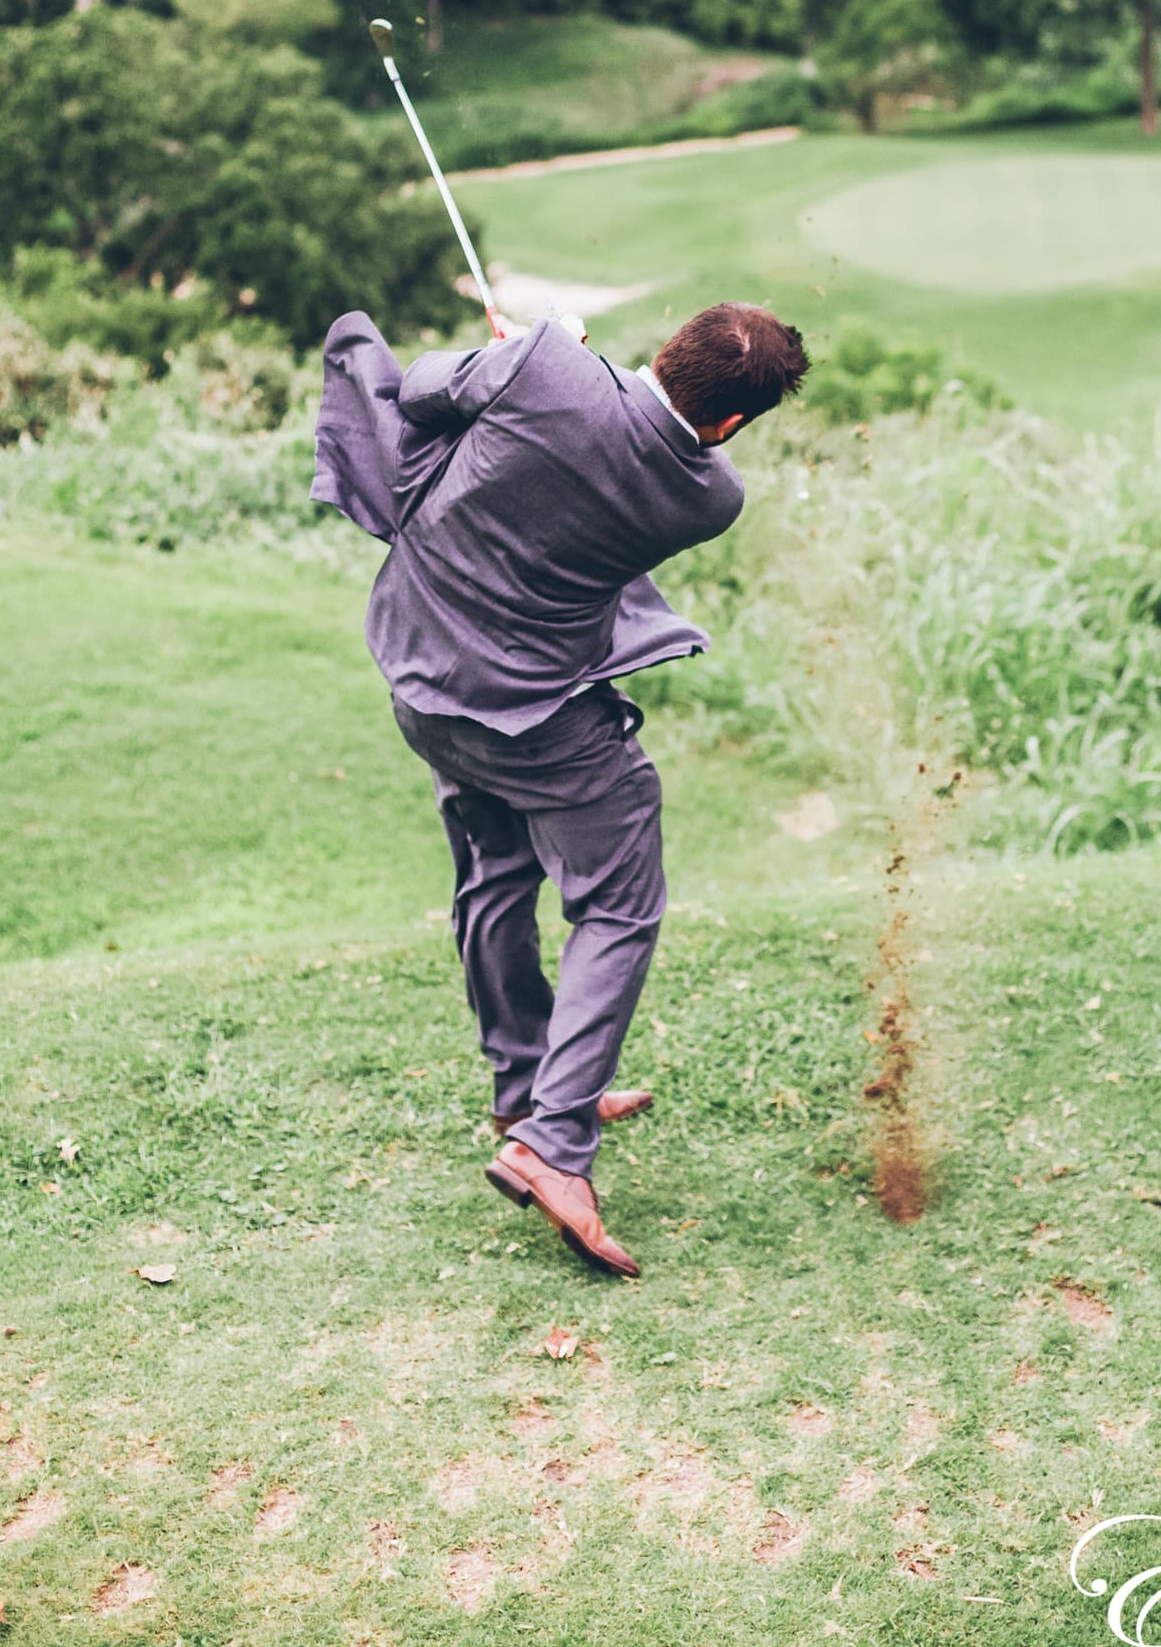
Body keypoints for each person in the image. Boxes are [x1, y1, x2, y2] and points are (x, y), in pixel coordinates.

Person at [311, 300, 809, 1277]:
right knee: (619, 902)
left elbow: (419, 388)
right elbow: (642, 438)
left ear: (667, 346)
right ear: (735, 423)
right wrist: (550, 368)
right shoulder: (712, 495)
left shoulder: (546, 365)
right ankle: (552, 1143)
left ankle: (529, 1086)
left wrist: (538, 350)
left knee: (497, 869)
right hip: (534, 712)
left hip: (423, 674)